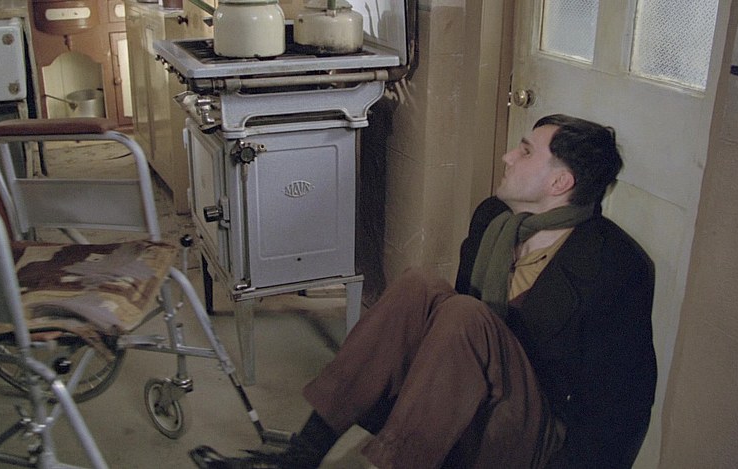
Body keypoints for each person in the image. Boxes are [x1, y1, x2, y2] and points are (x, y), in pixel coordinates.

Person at [191, 114, 657, 468]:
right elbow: (456, 344)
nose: (507, 157)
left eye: (525, 151)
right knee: (419, 286)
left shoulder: (616, 266)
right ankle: (301, 457)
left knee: (465, 314)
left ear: (560, 182)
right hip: (475, 396)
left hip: (535, 433)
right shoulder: (494, 220)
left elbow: (623, 406)